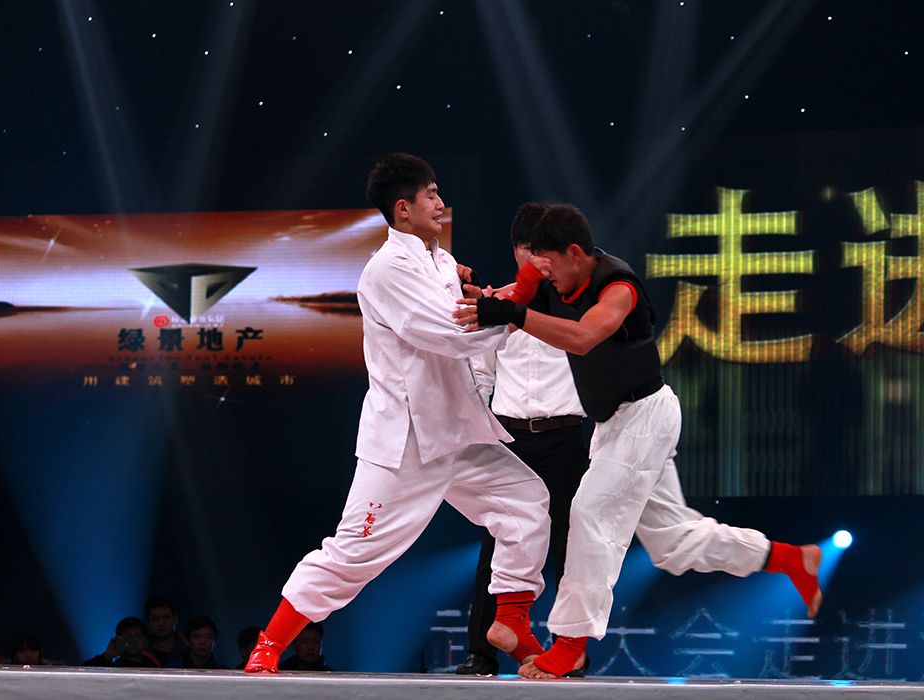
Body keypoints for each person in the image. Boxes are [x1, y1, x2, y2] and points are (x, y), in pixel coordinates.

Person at [457, 203, 823, 678]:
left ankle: (570, 643)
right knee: (673, 543)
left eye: (549, 266)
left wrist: (513, 313)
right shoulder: (547, 275)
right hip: (614, 426)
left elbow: (584, 337)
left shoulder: (619, 287)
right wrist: (475, 297)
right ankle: (789, 559)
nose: (543, 276)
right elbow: (511, 302)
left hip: (646, 416)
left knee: (588, 513)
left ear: (575, 253)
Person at [244, 153, 552, 674]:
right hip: (407, 441)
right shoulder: (386, 270)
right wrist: (517, 303)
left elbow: (469, 327)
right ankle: (269, 645)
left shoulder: (441, 262)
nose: (441, 203)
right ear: (403, 208)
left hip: (458, 430)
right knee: (354, 552)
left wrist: (497, 303)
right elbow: (452, 335)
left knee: (526, 502)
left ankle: (513, 620)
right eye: (431, 195)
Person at [456, 203, 591, 676]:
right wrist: (478, 434)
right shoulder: (493, 304)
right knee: (497, 542)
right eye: (527, 249)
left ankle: (567, 651)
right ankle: (481, 650)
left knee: (571, 549)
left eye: (542, 251)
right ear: (515, 251)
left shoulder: (576, 307)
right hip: (510, 437)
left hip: (565, 435)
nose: (535, 260)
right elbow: (480, 374)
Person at [82, 616, 161, 668]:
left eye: (138, 636)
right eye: (128, 637)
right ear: (119, 640)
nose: (133, 641)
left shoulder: (153, 665)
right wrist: (107, 655)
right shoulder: (114, 669)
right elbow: (81, 672)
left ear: (145, 642)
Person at [144, 596, 187, 667]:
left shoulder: (190, 648)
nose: (161, 623)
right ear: (148, 623)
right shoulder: (140, 654)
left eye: (166, 617)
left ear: (175, 619)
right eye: (155, 619)